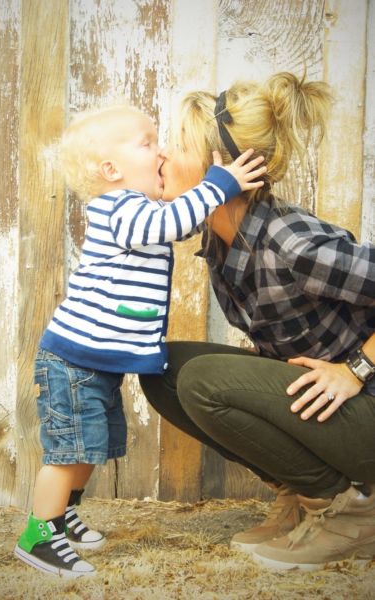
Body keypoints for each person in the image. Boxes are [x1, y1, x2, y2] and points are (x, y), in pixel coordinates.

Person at [14, 104, 266, 578]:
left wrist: (220, 199)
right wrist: (220, 182)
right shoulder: (118, 208)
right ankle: (37, 535)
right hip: (73, 359)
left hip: (96, 364)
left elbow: (185, 222)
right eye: (148, 143)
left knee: (92, 446)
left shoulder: (142, 211)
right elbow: (168, 225)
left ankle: (63, 515)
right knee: (69, 452)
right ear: (111, 170)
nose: (162, 151)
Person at [139, 72, 375, 571]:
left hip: (367, 415)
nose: (161, 155)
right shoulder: (219, 240)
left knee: (204, 381)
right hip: (329, 417)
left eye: (176, 143)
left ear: (221, 168)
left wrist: (356, 368)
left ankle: (353, 513)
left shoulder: (292, 243)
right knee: (160, 368)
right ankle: (301, 496)